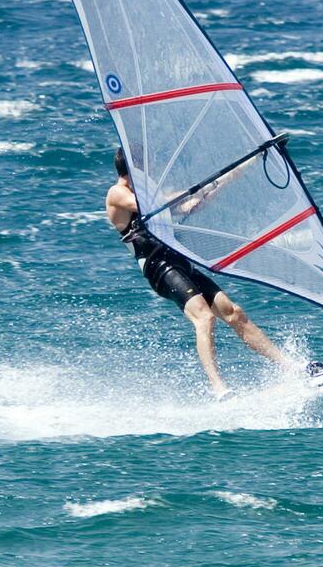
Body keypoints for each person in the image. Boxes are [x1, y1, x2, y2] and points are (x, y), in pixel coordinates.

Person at [106, 147, 298, 398]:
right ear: (133, 168)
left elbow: (188, 206)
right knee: (204, 318)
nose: (151, 172)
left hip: (178, 261)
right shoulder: (118, 193)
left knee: (233, 312)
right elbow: (152, 203)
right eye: (145, 167)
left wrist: (226, 178)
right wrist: (191, 189)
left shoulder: (146, 193)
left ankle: (289, 368)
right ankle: (219, 389)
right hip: (158, 267)